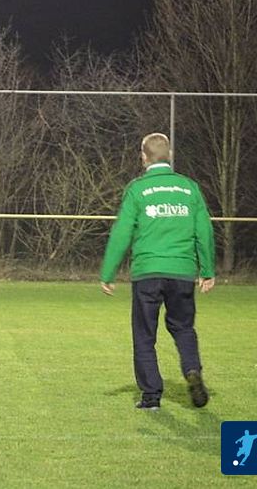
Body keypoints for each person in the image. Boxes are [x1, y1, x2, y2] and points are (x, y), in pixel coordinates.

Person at [100, 132, 214, 411]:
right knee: (183, 327)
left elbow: (122, 232)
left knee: (144, 334)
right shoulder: (189, 188)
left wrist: (108, 273)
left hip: (147, 272)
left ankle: (151, 396)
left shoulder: (137, 189)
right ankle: (192, 369)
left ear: (143, 157)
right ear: (170, 155)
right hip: (182, 271)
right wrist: (207, 270)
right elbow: (204, 231)